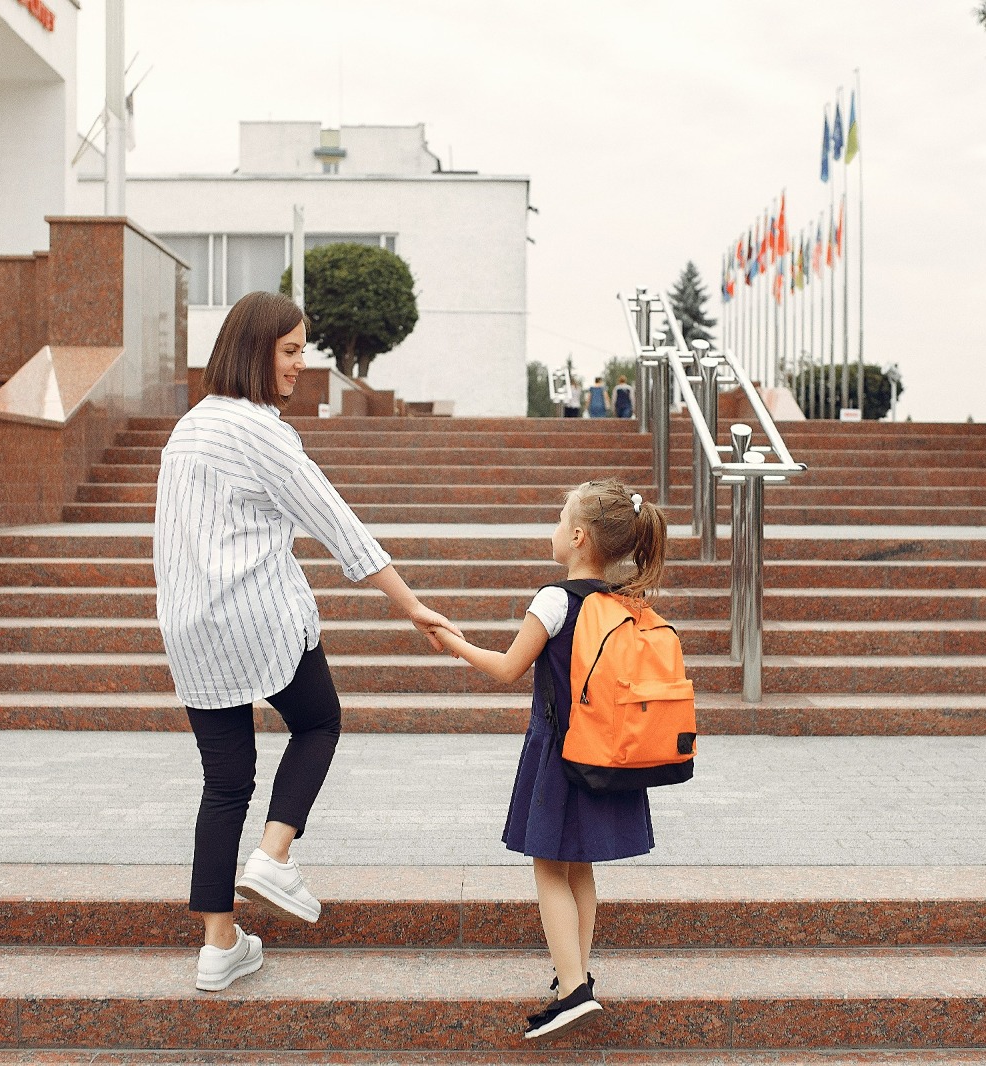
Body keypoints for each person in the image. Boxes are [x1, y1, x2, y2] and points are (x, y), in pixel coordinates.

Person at [153, 291, 459, 992]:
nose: (299, 364)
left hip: (191, 626)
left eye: (302, 350)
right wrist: (409, 602)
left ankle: (218, 946)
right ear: (254, 350)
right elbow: (335, 519)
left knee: (224, 784)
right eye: (290, 350)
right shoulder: (260, 431)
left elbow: (171, 539)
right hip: (254, 612)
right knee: (320, 722)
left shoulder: (190, 428)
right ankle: (274, 856)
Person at [431, 478, 666, 1041]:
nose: (555, 528)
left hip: (558, 752)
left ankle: (573, 989)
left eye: (561, 519)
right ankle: (575, 976)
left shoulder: (555, 599)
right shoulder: (621, 603)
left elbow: (509, 668)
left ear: (579, 537)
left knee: (547, 867)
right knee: (579, 864)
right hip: (604, 753)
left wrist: (452, 640)